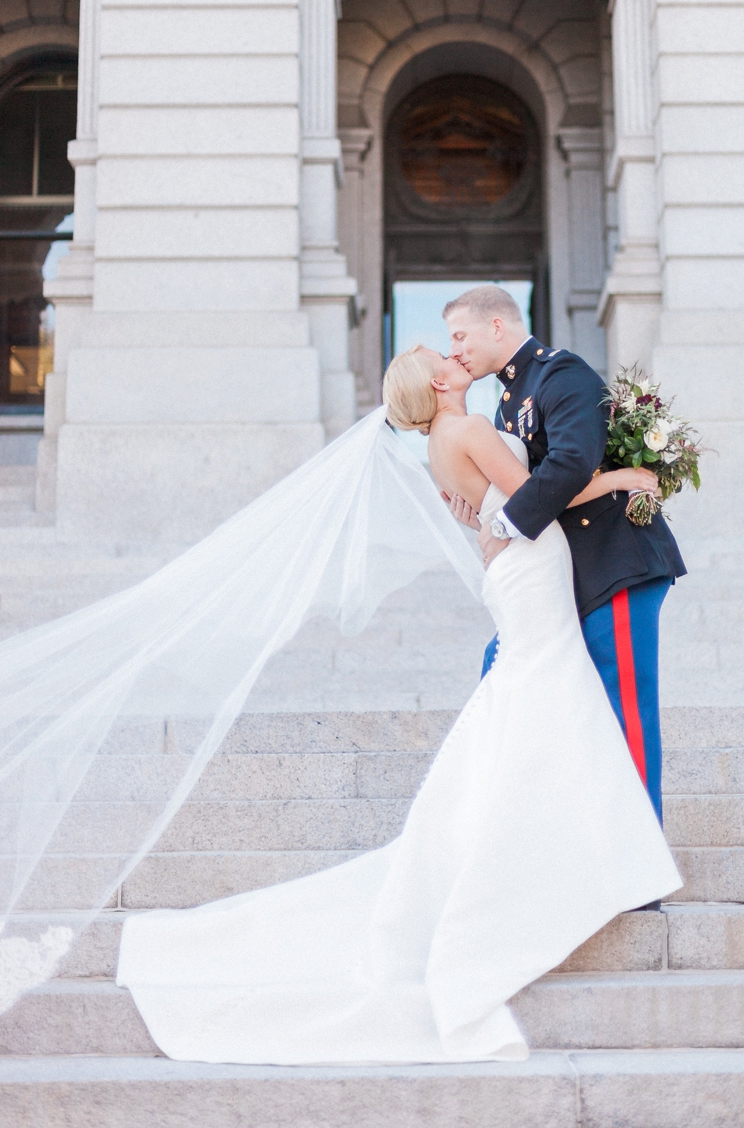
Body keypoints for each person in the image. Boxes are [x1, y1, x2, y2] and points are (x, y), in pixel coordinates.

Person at [111, 344, 681, 1066]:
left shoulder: (442, 445)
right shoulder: (469, 430)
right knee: (543, 697)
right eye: (440, 354)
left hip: (516, 577)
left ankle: (537, 834)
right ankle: (543, 851)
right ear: (440, 383)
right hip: (533, 574)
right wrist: (629, 476)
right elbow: (543, 498)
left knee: (530, 705)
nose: (452, 354)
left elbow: (483, 507)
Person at [443, 286, 686, 834]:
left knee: (626, 708)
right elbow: (528, 486)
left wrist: (505, 523)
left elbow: (575, 460)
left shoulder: (560, 373)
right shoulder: (509, 398)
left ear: (497, 327)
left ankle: (641, 857)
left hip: (613, 564)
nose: (455, 350)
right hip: (564, 576)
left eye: (461, 335)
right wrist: (484, 511)